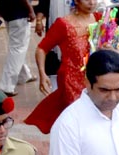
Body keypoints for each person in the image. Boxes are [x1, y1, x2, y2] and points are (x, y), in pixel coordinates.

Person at [24, 0, 100, 135]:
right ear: (76, 1)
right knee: (77, 122)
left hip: (95, 80)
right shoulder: (64, 24)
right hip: (71, 83)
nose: (91, 2)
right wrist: (42, 74)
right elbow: (41, 49)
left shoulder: (100, 19)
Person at [0, 0, 37, 96]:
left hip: (7, 13)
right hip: (19, 13)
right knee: (17, 50)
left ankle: (24, 75)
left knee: (17, 48)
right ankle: (7, 86)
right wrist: (30, 9)